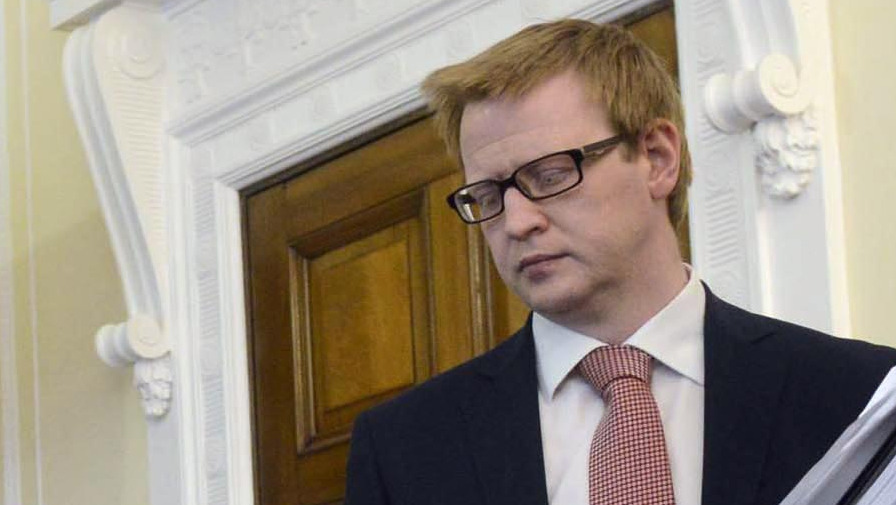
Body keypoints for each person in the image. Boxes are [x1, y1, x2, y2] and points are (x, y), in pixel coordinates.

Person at [344, 19, 896, 505]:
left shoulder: (859, 397)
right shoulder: (405, 448)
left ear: (657, 158)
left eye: (550, 175)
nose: (516, 222)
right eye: (487, 196)